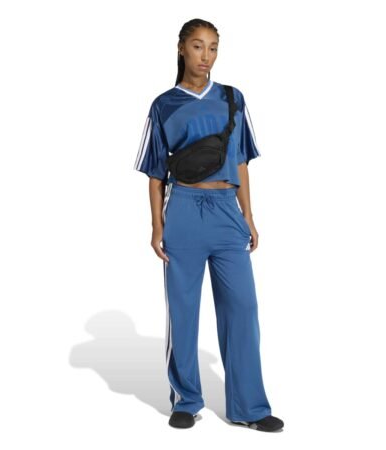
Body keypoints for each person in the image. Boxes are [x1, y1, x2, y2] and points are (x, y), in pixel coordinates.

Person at [133, 18, 284, 432]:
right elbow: (155, 173)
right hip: (183, 210)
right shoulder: (164, 105)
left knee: (243, 308)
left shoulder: (233, 98)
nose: (206, 56)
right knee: (183, 310)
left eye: (214, 47)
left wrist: (248, 215)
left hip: (226, 212)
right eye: (198, 46)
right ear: (181, 48)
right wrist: (156, 225)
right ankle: (186, 399)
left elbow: (241, 161)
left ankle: (249, 407)